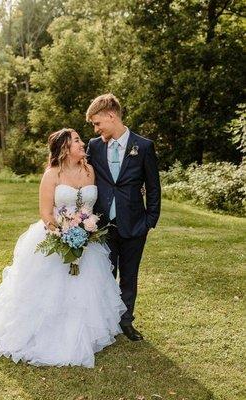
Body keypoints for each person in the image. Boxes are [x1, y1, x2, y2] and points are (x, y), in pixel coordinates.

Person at [0, 128, 127, 368]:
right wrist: (62, 233)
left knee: (86, 289)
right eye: (77, 141)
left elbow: (90, 208)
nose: (83, 144)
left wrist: (85, 230)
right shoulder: (51, 174)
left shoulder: (89, 170)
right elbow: (45, 212)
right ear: (64, 148)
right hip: (57, 235)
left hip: (87, 239)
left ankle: (84, 332)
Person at [86, 94, 161, 341]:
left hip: (134, 225)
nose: (96, 129)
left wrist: (149, 221)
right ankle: (105, 323)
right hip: (102, 225)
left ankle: (126, 322)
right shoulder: (94, 146)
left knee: (129, 276)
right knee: (105, 275)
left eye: (98, 123)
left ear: (111, 116)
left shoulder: (144, 146)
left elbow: (153, 187)